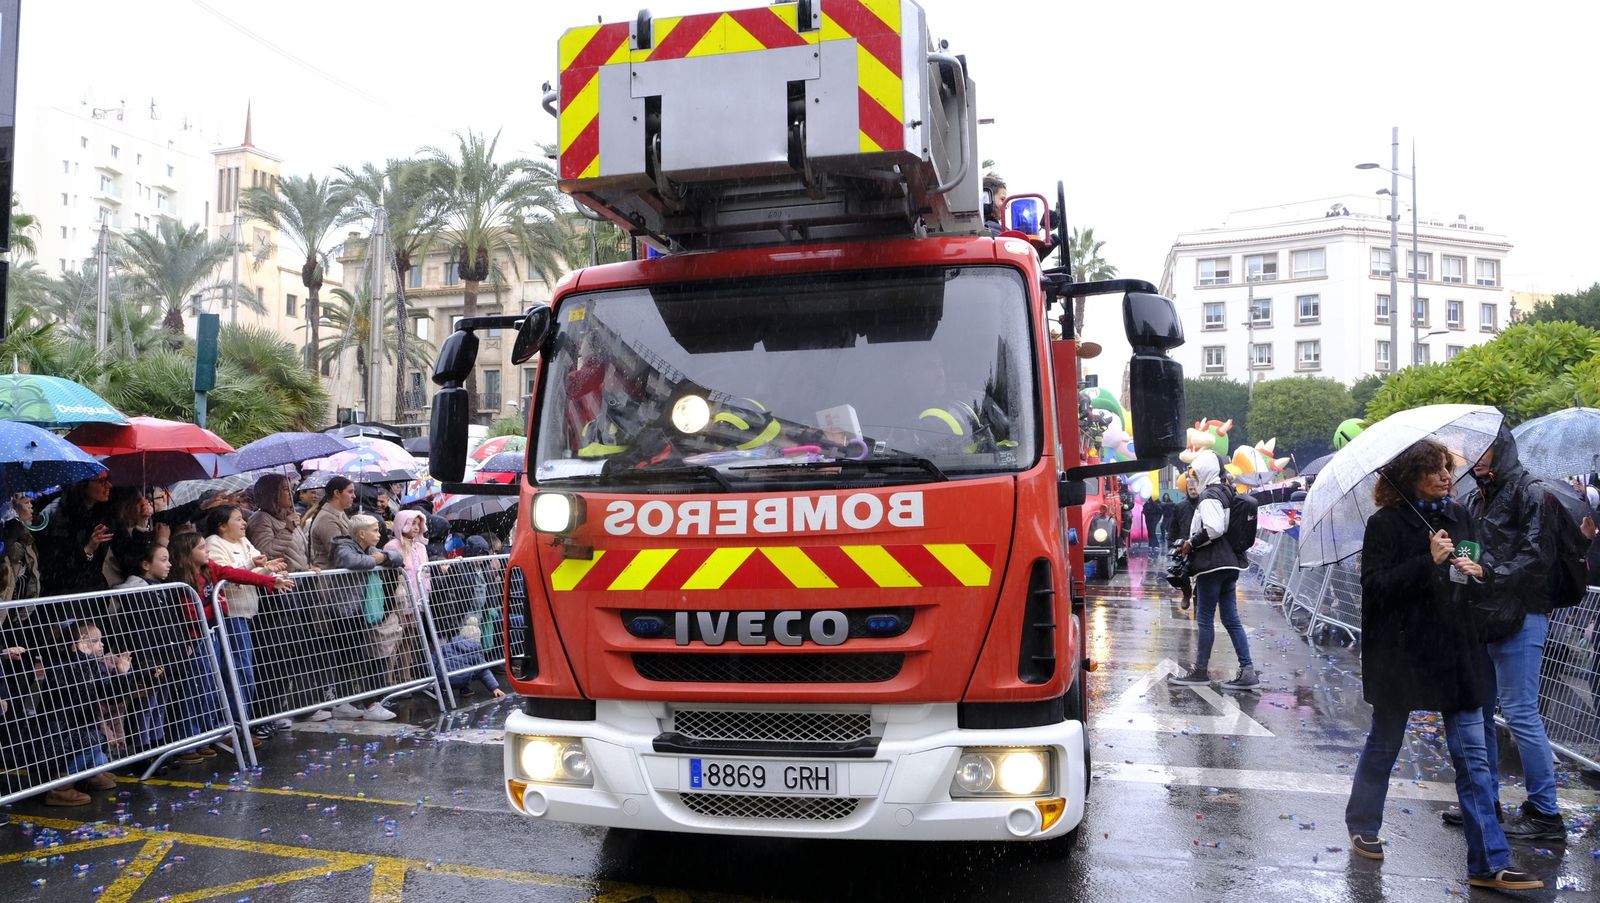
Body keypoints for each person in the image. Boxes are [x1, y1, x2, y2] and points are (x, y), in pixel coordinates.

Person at [1342, 439, 1541, 891]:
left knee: (1473, 758)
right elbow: (1375, 589)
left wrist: (1477, 571)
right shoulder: (1385, 525)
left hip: (1455, 652)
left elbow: (1470, 573)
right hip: (1402, 656)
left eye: (1447, 468)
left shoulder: (1460, 517)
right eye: (1434, 469)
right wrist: (1425, 562)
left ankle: (1488, 863)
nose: (1446, 476)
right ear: (1411, 476)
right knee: (1385, 744)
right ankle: (1363, 823)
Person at [1450, 427, 1568, 841]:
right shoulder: (1472, 498)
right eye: (1471, 452)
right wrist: (1453, 558)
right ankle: (1486, 799)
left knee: (1520, 712)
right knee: (1478, 710)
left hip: (1522, 616)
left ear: (1500, 452)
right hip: (1482, 617)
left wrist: (1487, 571)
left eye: (1483, 452)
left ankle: (1545, 812)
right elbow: (1469, 547)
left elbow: (1536, 557)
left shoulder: (1530, 493)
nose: (1475, 459)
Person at [1168, 451, 1258, 689]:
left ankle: (1200, 672)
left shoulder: (1209, 496)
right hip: (1229, 564)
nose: (1194, 478)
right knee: (1231, 619)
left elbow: (1214, 528)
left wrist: (1190, 543)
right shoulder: (1228, 490)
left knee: (1205, 619)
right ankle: (1247, 671)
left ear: (1205, 470)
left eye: (1196, 472)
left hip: (1212, 565)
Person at [245, 474, 326, 723]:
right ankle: (272, 710)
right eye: (282, 490)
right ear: (270, 494)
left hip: (299, 587)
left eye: (289, 489)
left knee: (300, 649)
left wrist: (308, 566)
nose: (289, 494)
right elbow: (266, 552)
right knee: (279, 651)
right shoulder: (261, 519)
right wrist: (288, 530)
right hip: (278, 593)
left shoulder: (290, 518)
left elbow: (299, 550)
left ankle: (301, 704)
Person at [205, 505, 289, 742]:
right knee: (239, 671)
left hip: (249, 611)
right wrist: (256, 567)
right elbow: (225, 576)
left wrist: (269, 569)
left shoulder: (243, 542)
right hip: (231, 614)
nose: (244, 524)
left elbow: (255, 567)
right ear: (222, 525)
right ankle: (235, 725)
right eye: (238, 519)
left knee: (246, 670)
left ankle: (243, 722)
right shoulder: (214, 543)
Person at [37, 620, 132, 806]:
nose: (102, 644)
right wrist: (81, 657)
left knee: (101, 757)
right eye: (96, 641)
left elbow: (110, 696)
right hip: (60, 733)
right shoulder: (60, 666)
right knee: (91, 744)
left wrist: (121, 674)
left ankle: (90, 774)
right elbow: (70, 688)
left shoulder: (94, 664)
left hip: (83, 729)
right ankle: (60, 787)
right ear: (78, 644)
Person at [326, 514, 402, 721]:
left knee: (358, 657)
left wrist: (383, 557)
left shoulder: (369, 549)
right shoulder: (344, 546)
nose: (379, 534)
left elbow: (397, 558)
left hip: (362, 610)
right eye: (375, 530)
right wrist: (376, 559)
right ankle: (347, 702)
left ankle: (362, 701)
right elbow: (352, 561)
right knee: (348, 658)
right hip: (344, 610)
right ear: (361, 533)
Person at [38, 473, 115, 598]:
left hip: (91, 594)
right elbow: (55, 564)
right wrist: (88, 549)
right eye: (101, 481)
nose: (108, 485)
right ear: (83, 485)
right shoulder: (57, 513)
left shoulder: (103, 513)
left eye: (108, 479)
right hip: (62, 597)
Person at [439, 616, 506, 701]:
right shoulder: (475, 651)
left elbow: (435, 659)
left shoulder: (448, 645)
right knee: (473, 668)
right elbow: (484, 672)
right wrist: (494, 688)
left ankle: (439, 691)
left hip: (441, 680)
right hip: (459, 680)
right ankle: (465, 689)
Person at [306, 477, 357, 570]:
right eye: (350, 492)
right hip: (331, 580)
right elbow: (339, 554)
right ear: (337, 493)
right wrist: (371, 559)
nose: (354, 496)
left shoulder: (340, 513)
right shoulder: (327, 519)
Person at [0, 493, 42, 604]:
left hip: (16, 613)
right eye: (26, 502)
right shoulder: (9, 533)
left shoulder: (26, 537)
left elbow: (32, 578)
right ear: (12, 505)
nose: (30, 507)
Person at [1168, 485, 1198, 610]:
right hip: (1183, 544)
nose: (1193, 491)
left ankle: (1197, 597)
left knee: (1201, 573)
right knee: (1182, 572)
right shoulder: (1180, 506)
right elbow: (1173, 527)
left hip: (1200, 543)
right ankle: (1186, 594)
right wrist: (1172, 544)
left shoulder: (1205, 504)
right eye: (1190, 489)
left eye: (1195, 488)